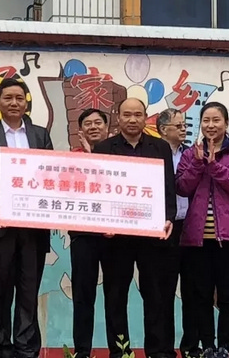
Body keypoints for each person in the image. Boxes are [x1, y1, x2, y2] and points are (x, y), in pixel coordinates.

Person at [0, 78, 55, 358]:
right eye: (8, 98)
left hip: (33, 228)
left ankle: (26, 348)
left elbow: (50, 175)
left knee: (29, 291)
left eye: (20, 98)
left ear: (27, 102)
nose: (14, 103)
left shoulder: (40, 136)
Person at [93, 98, 177, 358]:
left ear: (145, 117)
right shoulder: (104, 148)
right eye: (127, 114)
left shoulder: (160, 147)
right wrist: (103, 223)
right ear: (118, 117)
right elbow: (98, 190)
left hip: (152, 235)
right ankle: (120, 351)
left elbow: (168, 187)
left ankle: (158, 351)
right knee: (115, 296)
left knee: (156, 295)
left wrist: (168, 218)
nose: (132, 120)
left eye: (137, 114)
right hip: (115, 237)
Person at [177, 102, 229, 358]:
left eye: (216, 120)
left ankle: (224, 347)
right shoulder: (191, 153)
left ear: (226, 123)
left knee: (228, 295)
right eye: (206, 121)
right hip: (197, 238)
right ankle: (208, 345)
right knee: (201, 295)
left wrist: (214, 166)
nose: (211, 125)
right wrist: (199, 163)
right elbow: (182, 187)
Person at [70, 108, 110, 358]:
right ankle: (82, 351)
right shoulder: (73, 157)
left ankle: (118, 349)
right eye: (88, 123)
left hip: (113, 236)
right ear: (81, 130)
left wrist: (95, 156)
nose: (93, 127)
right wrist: (88, 157)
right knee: (83, 295)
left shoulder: (118, 154)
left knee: (115, 296)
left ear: (108, 128)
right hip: (83, 235)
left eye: (98, 123)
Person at [156, 108, 191, 358]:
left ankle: (190, 347)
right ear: (162, 129)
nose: (183, 129)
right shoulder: (153, 153)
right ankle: (164, 348)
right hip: (162, 229)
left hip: (189, 226)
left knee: (192, 290)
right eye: (177, 126)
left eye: (184, 125)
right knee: (163, 292)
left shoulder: (190, 154)